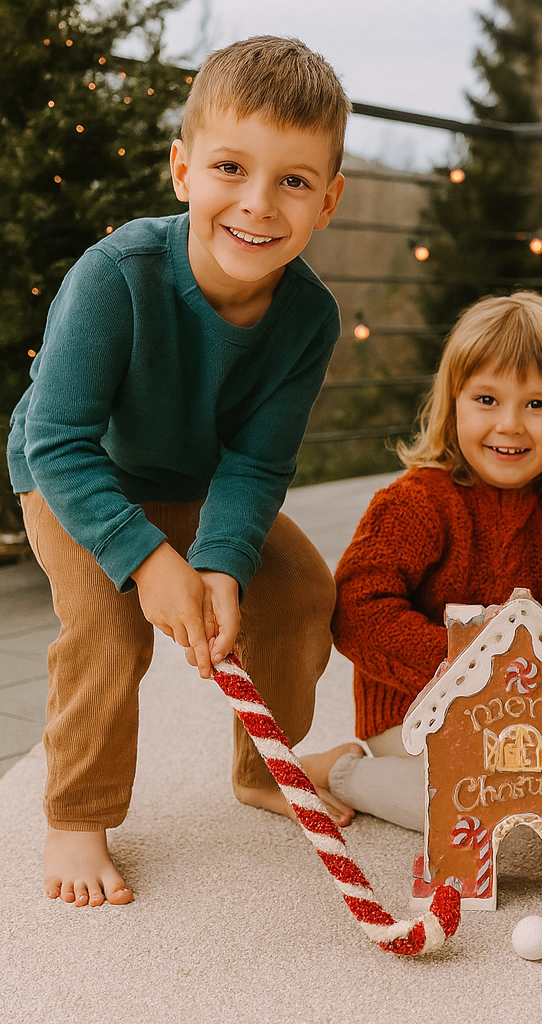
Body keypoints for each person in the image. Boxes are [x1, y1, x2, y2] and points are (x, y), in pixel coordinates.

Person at [6, 36, 351, 908]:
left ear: (329, 201)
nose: (258, 204)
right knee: (109, 625)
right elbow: (58, 442)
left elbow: (256, 461)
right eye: (231, 167)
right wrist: (148, 560)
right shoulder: (116, 276)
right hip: (78, 476)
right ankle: (77, 813)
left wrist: (223, 560)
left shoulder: (309, 317)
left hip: (195, 483)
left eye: (294, 182)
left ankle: (263, 768)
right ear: (182, 169)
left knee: (303, 592)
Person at [300, 292, 542, 830]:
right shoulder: (417, 502)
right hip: (414, 710)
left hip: (527, 707)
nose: (511, 425)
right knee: (467, 800)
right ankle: (344, 770)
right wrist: (468, 665)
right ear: (454, 402)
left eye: (537, 404)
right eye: (487, 400)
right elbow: (356, 607)